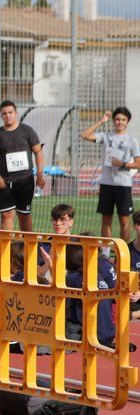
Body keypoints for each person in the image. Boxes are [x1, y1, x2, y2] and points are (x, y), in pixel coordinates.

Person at [80, 107, 140, 253]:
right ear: (113, 120)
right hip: (107, 183)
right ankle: (106, 253)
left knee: (124, 220)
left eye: (123, 120)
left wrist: (123, 164)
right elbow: (85, 135)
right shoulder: (106, 136)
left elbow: (138, 163)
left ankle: (124, 253)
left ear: (128, 121)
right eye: (117, 119)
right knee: (106, 219)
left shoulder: (132, 140)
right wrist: (101, 121)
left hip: (123, 184)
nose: (120, 122)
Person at [0, 100, 46, 232]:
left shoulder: (27, 131)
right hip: (4, 182)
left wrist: (40, 175)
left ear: (16, 113)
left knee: (24, 215)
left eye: (10, 112)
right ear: (1, 116)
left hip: (25, 180)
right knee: (6, 215)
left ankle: (27, 248)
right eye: (4, 114)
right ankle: (6, 250)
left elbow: (38, 153)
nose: (8, 116)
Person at [127, 211, 140, 320]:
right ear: (134, 226)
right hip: (132, 300)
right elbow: (118, 278)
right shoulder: (126, 251)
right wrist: (129, 292)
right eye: (139, 224)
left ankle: (134, 315)